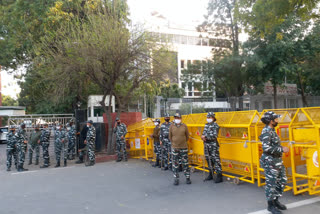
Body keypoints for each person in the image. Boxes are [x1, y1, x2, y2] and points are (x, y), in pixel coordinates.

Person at [260, 111, 289, 214]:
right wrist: (282, 149)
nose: (277, 121)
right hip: (270, 161)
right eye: (276, 119)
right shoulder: (266, 131)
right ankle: (270, 205)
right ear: (270, 120)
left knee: (283, 180)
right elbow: (266, 148)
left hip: (277, 161)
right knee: (271, 184)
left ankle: (276, 200)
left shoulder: (272, 130)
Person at [169, 113, 191, 185]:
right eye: (176, 118)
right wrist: (175, 143)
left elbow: (187, 136)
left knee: (185, 163)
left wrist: (182, 141)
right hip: (175, 147)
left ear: (181, 119)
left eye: (178, 118)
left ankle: (187, 178)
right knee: (175, 164)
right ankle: (176, 179)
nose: (177, 119)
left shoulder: (184, 126)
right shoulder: (171, 126)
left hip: (183, 147)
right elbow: (170, 137)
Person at [201, 112, 223, 183]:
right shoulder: (206, 125)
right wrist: (202, 137)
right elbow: (203, 133)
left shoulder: (215, 126)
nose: (208, 119)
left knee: (215, 160)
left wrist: (206, 137)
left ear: (213, 118)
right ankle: (211, 174)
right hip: (206, 145)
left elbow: (214, 136)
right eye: (207, 117)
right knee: (208, 159)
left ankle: (219, 176)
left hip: (213, 145)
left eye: (209, 117)